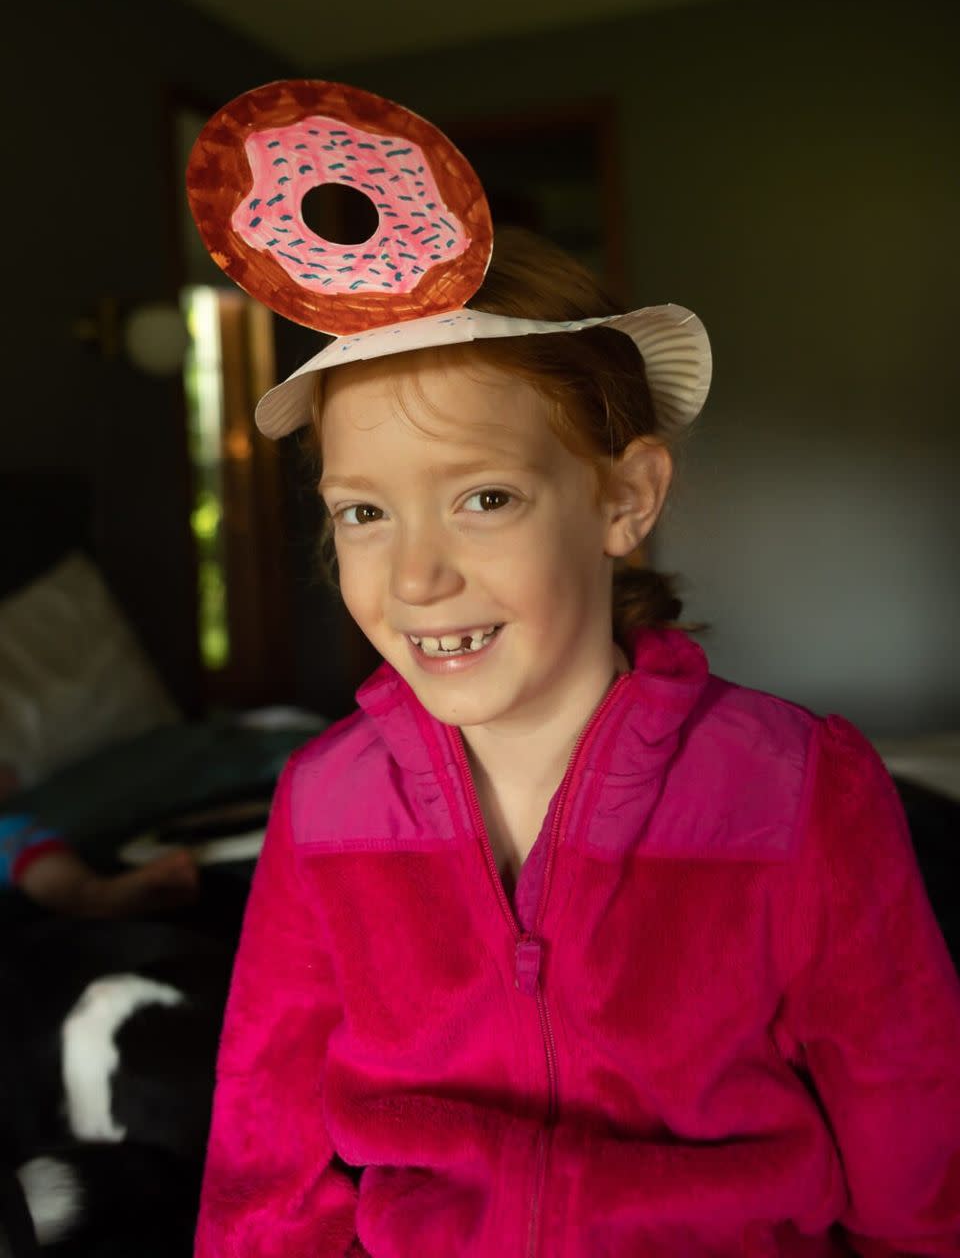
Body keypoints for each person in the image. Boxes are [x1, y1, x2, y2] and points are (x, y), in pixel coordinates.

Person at [192, 224, 960, 1257]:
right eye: (365, 512)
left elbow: (914, 1135)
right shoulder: (322, 804)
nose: (416, 576)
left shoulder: (800, 787)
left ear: (625, 497)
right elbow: (265, 1164)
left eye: (484, 498)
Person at [0, 809, 198, 917]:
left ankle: (166, 872)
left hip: (14, 843)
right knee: (95, 905)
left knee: (90, 896)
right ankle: (169, 890)